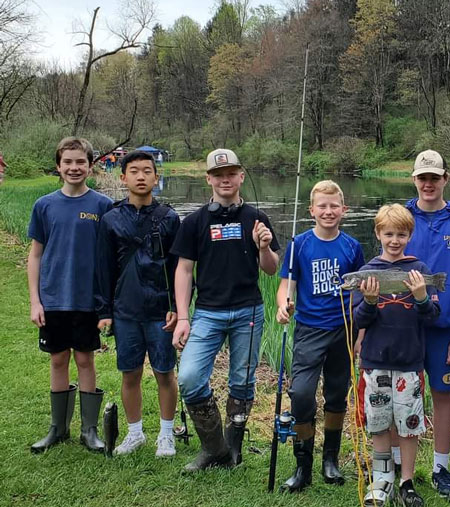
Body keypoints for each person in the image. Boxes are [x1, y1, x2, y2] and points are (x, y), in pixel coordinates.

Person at [170, 149, 279, 472]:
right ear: (209, 179)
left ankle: (233, 448)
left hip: (249, 312)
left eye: (231, 173)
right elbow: (184, 271)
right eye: (218, 175)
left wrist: (264, 247)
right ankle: (213, 448)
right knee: (189, 378)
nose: (225, 179)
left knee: (242, 383)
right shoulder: (194, 222)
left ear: (241, 176)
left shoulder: (257, 219)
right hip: (207, 313)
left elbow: (271, 269)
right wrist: (183, 317)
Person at [276, 180, 365, 492]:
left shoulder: (353, 247)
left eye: (334, 206)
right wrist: (282, 305)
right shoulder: (299, 244)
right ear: (311, 210)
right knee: (301, 393)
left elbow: (359, 294)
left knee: (337, 394)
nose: (328, 211)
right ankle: (302, 466)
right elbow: (287, 284)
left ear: (344, 210)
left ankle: (330, 460)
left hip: (342, 328)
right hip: (309, 330)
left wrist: (360, 333)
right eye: (322, 206)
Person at [28, 137, 114, 453]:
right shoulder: (44, 205)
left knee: (84, 358)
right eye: (68, 162)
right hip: (53, 298)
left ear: (90, 166)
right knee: (58, 358)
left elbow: (109, 257)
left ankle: (89, 430)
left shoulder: (103, 206)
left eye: (80, 162)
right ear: (59, 167)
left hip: (87, 299)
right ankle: (58, 428)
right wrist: (35, 300)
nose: (74, 168)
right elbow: (35, 255)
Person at [354, 204, 441, 507]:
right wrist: (369, 301)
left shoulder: (419, 269)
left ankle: (406, 482)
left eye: (401, 234)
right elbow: (359, 320)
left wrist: (420, 297)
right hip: (375, 361)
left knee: (409, 425)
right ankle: (381, 479)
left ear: (409, 236)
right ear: (378, 234)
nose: (394, 240)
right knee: (378, 423)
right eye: (388, 234)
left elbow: (432, 316)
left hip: (410, 363)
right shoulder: (366, 272)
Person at [94, 150, 181, 457]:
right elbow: (104, 269)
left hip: (161, 311)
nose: (141, 176)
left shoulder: (170, 218)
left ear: (156, 178)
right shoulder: (110, 220)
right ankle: (134, 433)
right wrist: (104, 312)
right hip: (125, 311)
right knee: (129, 373)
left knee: (164, 372)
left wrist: (179, 310)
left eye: (147, 171)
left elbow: (180, 269)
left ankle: (166, 435)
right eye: (134, 171)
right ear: (123, 178)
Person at [403, 149, 450, 500]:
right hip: (403, 326)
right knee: (398, 394)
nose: (428, 183)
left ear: (446, 179)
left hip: (444, 329)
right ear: (414, 180)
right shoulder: (400, 218)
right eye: (423, 177)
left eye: (435, 177)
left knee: (442, 395)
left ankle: (441, 467)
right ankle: (395, 469)